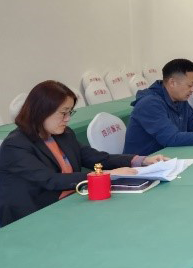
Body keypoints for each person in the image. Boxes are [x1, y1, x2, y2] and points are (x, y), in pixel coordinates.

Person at [0, 81, 167, 226]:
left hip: (71, 202)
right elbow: (50, 180)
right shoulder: (15, 145)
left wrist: (141, 160)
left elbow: (96, 158)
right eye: (63, 113)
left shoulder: (63, 134)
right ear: (41, 111)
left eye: (70, 112)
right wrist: (108, 175)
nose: (67, 119)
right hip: (33, 215)